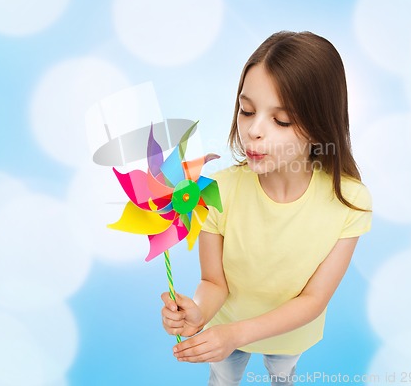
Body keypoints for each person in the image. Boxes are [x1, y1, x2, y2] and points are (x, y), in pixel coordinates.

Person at [160, 31, 373, 386]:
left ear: (321, 126)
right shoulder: (216, 191)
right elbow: (214, 282)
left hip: (289, 331)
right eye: (246, 111)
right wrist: (197, 313)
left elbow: (313, 299)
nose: (253, 131)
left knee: (282, 375)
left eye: (282, 120)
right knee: (223, 378)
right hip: (225, 324)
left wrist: (237, 334)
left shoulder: (349, 202)